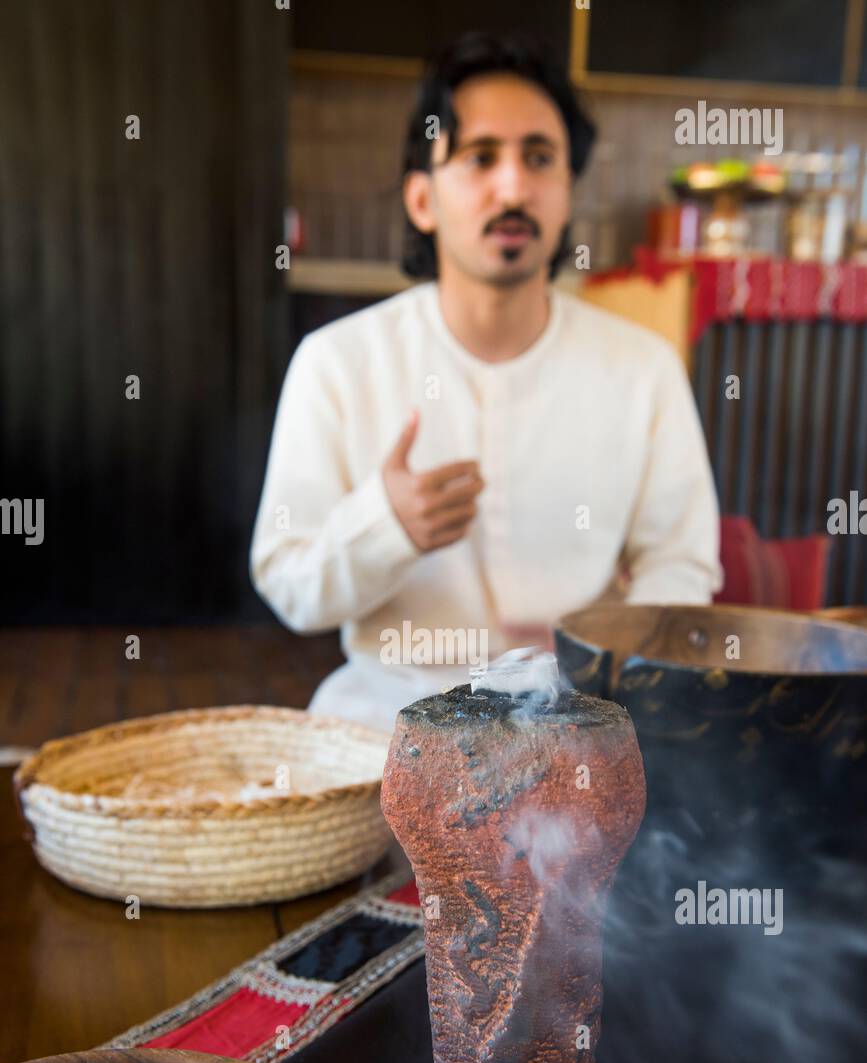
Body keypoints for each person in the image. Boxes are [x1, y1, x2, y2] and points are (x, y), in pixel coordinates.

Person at [250, 31, 722, 734]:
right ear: (421, 199)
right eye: (479, 158)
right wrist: (384, 525)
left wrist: (607, 648)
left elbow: (681, 566)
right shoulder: (336, 361)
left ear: (565, 195)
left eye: (539, 159)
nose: (512, 186)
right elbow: (290, 586)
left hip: (580, 724)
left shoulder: (641, 367)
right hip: (389, 720)